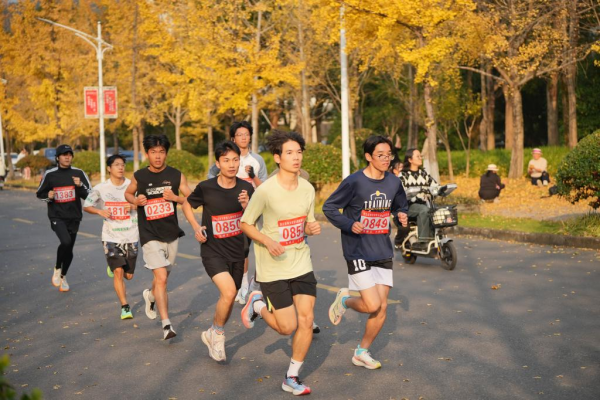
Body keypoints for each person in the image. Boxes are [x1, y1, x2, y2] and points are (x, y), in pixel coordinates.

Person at [240, 130, 321, 396]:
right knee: (287, 327)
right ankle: (257, 304)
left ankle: (292, 376)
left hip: (300, 261)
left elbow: (305, 225)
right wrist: (267, 240)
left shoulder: (308, 188)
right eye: (289, 153)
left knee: (306, 320)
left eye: (299, 152)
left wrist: (310, 228)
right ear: (277, 157)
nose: (296, 157)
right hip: (273, 266)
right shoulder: (265, 191)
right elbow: (246, 224)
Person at [323, 136, 408, 371]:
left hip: (382, 249)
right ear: (369, 156)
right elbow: (329, 207)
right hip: (357, 250)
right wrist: (350, 224)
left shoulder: (394, 182)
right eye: (380, 155)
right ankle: (345, 300)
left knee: (382, 307)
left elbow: (400, 205)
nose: (386, 159)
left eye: (389, 154)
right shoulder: (354, 182)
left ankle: (361, 352)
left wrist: (401, 214)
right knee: (372, 305)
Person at [182, 141, 254, 362]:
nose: (231, 165)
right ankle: (219, 335)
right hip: (212, 251)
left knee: (229, 297)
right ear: (218, 163)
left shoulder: (247, 188)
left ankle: (213, 331)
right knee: (230, 292)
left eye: (235, 160)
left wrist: (247, 206)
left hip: (237, 251)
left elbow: (254, 219)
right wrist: (196, 227)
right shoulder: (206, 187)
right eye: (226, 160)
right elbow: (186, 204)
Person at [125, 135, 191, 340]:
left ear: (166, 154)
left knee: (162, 278)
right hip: (149, 234)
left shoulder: (176, 175)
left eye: (161, 152)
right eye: (153, 152)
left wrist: (176, 198)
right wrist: (136, 201)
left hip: (171, 233)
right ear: (147, 154)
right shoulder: (139, 176)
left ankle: (150, 295)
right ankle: (166, 325)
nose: (158, 156)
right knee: (161, 277)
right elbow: (128, 193)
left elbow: (191, 198)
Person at [208, 121, 269, 305]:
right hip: (230, 211)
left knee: (258, 249)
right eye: (239, 135)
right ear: (233, 138)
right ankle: (242, 286)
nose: (243, 138)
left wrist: (253, 177)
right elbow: (211, 179)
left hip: (253, 210)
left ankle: (252, 284)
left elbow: (265, 188)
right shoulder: (225, 158)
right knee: (240, 250)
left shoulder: (257, 160)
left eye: (246, 134)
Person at [84, 155, 139, 320]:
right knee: (118, 272)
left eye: (122, 164)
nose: (120, 167)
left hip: (131, 234)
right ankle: (125, 306)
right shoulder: (101, 188)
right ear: (109, 168)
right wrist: (99, 211)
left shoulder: (133, 186)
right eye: (116, 165)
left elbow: (144, 204)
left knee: (128, 275)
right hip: (110, 236)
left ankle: (115, 266)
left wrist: (134, 205)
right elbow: (87, 205)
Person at [36, 145, 91, 292]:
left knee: (69, 248)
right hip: (57, 216)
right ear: (57, 157)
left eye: (69, 154)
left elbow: (89, 196)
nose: (67, 157)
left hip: (74, 216)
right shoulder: (50, 174)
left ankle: (63, 276)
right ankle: (57, 268)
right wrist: (48, 196)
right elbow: (39, 194)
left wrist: (80, 185)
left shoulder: (78, 173)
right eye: (64, 154)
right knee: (65, 241)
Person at [399, 148, 438, 249]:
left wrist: (441, 189)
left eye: (421, 156)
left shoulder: (424, 173)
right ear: (410, 159)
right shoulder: (403, 175)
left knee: (437, 211)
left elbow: (435, 185)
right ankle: (423, 241)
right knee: (423, 210)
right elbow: (400, 192)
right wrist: (412, 192)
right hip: (409, 206)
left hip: (425, 204)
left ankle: (436, 238)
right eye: (418, 156)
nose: (420, 158)